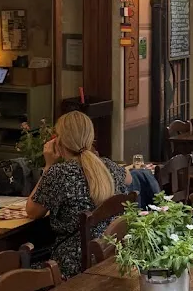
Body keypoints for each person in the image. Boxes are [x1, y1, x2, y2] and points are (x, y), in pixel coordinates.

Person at [26, 110, 129, 277]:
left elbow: (32, 211)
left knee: (20, 269)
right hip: (109, 254)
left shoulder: (58, 173)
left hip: (73, 265)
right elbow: (129, 178)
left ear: (58, 142)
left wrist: (48, 165)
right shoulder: (108, 166)